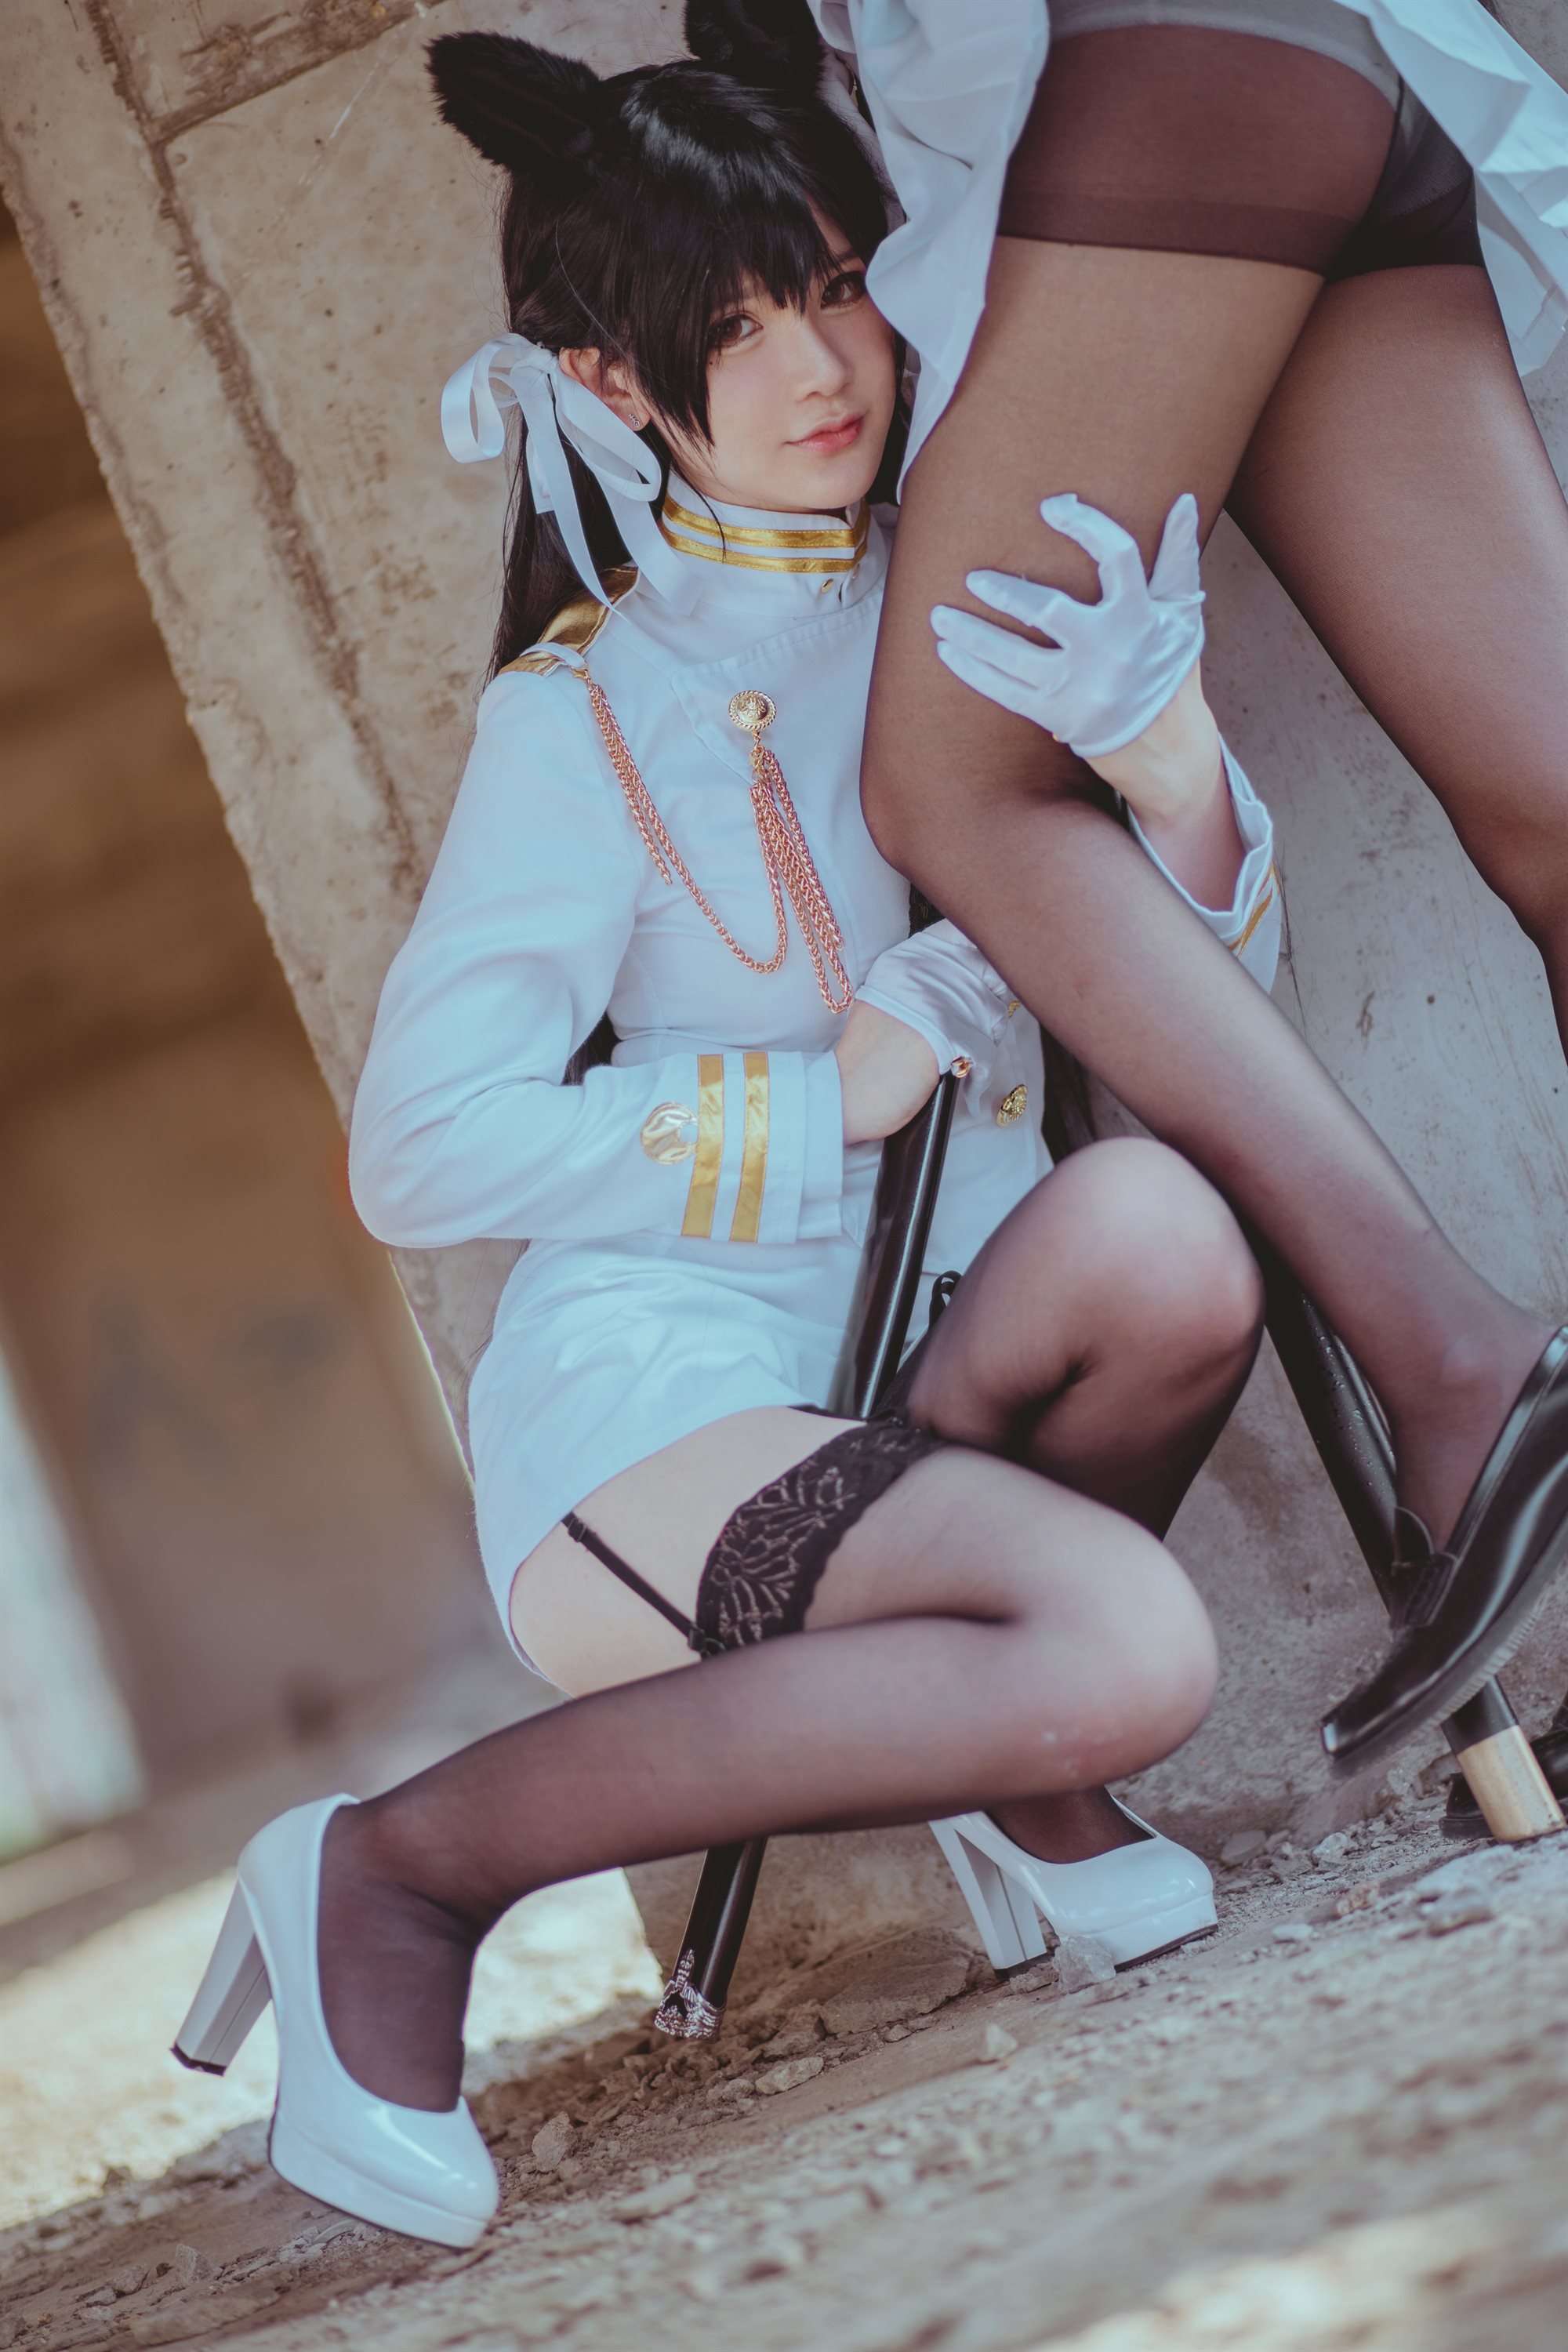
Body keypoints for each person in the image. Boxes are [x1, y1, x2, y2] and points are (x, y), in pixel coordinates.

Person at [171, 16, 1287, 2249]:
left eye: (835, 286)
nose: (819, 366)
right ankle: (389, 1871)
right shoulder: (589, 713)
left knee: (1170, 1233)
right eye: (737, 327)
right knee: (1133, 1651)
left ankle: (1007, 1762)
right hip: (668, 1402)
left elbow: (1198, 1031)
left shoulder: (960, 577)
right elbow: (421, 1148)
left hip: (931, 1352)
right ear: (610, 383)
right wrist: (818, 1096)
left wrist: (1175, 776)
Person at [801, 0, 1568, 1767]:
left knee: (959, 782)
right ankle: (1469, 1382)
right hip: (1313, 67)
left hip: (1167, 77)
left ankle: (1463, 1371)